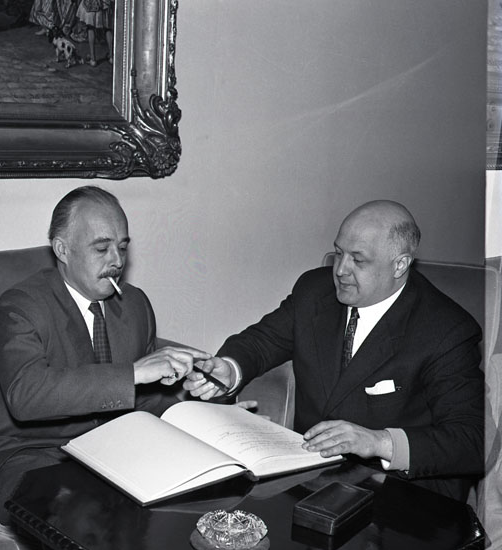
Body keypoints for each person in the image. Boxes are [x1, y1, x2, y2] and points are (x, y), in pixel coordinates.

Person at [0, 186, 206, 550]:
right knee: (87, 515)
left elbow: (145, 398)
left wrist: (200, 398)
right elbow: (26, 394)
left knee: (189, 497)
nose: (116, 260)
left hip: (108, 451)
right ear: (62, 250)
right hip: (28, 453)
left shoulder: (135, 305)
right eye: (101, 247)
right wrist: (132, 373)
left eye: (122, 247)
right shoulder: (21, 305)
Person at [184, 200, 484, 502]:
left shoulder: (447, 330)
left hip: (402, 494)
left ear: (399, 265)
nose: (340, 270)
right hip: (310, 474)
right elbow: (261, 342)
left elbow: (471, 439)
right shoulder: (314, 290)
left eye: (358, 260)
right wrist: (230, 368)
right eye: (339, 253)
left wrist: (379, 441)